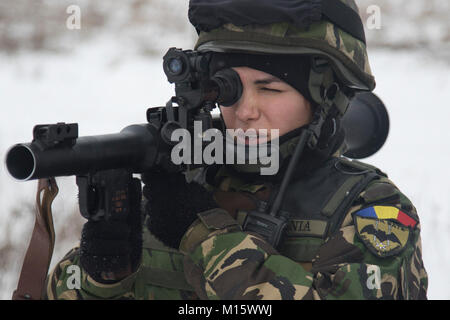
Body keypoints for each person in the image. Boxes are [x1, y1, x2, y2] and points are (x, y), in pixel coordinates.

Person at [46, 0, 428, 300]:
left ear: (325, 96)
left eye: (270, 89)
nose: (245, 111)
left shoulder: (374, 210)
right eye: (229, 89)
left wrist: (202, 234)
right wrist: (104, 277)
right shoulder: (183, 183)